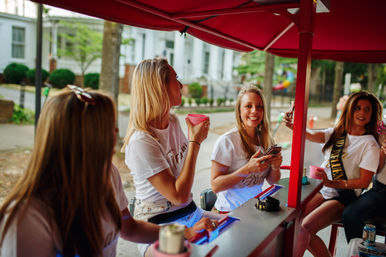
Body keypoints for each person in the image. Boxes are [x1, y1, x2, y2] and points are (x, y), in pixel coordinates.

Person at [0, 86, 217, 257]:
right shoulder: (27, 219)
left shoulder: (107, 174)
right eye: (108, 126)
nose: (116, 132)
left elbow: (129, 228)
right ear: (82, 138)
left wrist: (183, 234)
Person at [121, 58, 222, 256]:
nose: (181, 85)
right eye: (175, 79)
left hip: (190, 213)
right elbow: (178, 195)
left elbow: (184, 189)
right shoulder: (141, 141)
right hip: (159, 226)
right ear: (159, 87)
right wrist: (195, 143)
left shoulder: (173, 121)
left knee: (236, 228)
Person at [283, 91, 382, 257]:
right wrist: (295, 126)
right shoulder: (338, 132)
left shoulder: (370, 144)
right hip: (322, 189)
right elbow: (313, 135)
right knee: (292, 224)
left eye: (367, 110)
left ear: (372, 115)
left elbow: (364, 182)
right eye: (357, 108)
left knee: (305, 228)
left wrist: (332, 183)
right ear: (350, 109)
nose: (362, 113)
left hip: (343, 196)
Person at [210, 85, 282, 212]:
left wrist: (275, 167)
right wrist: (248, 169)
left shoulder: (267, 141)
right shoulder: (227, 141)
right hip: (228, 213)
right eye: (248, 106)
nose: (254, 111)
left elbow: (272, 181)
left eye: (259, 106)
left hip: (255, 211)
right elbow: (215, 186)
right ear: (239, 111)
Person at [342, 136, 386, 242]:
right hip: (379, 190)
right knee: (350, 215)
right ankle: (357, 252)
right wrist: (382, 151)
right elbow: (378, 169)